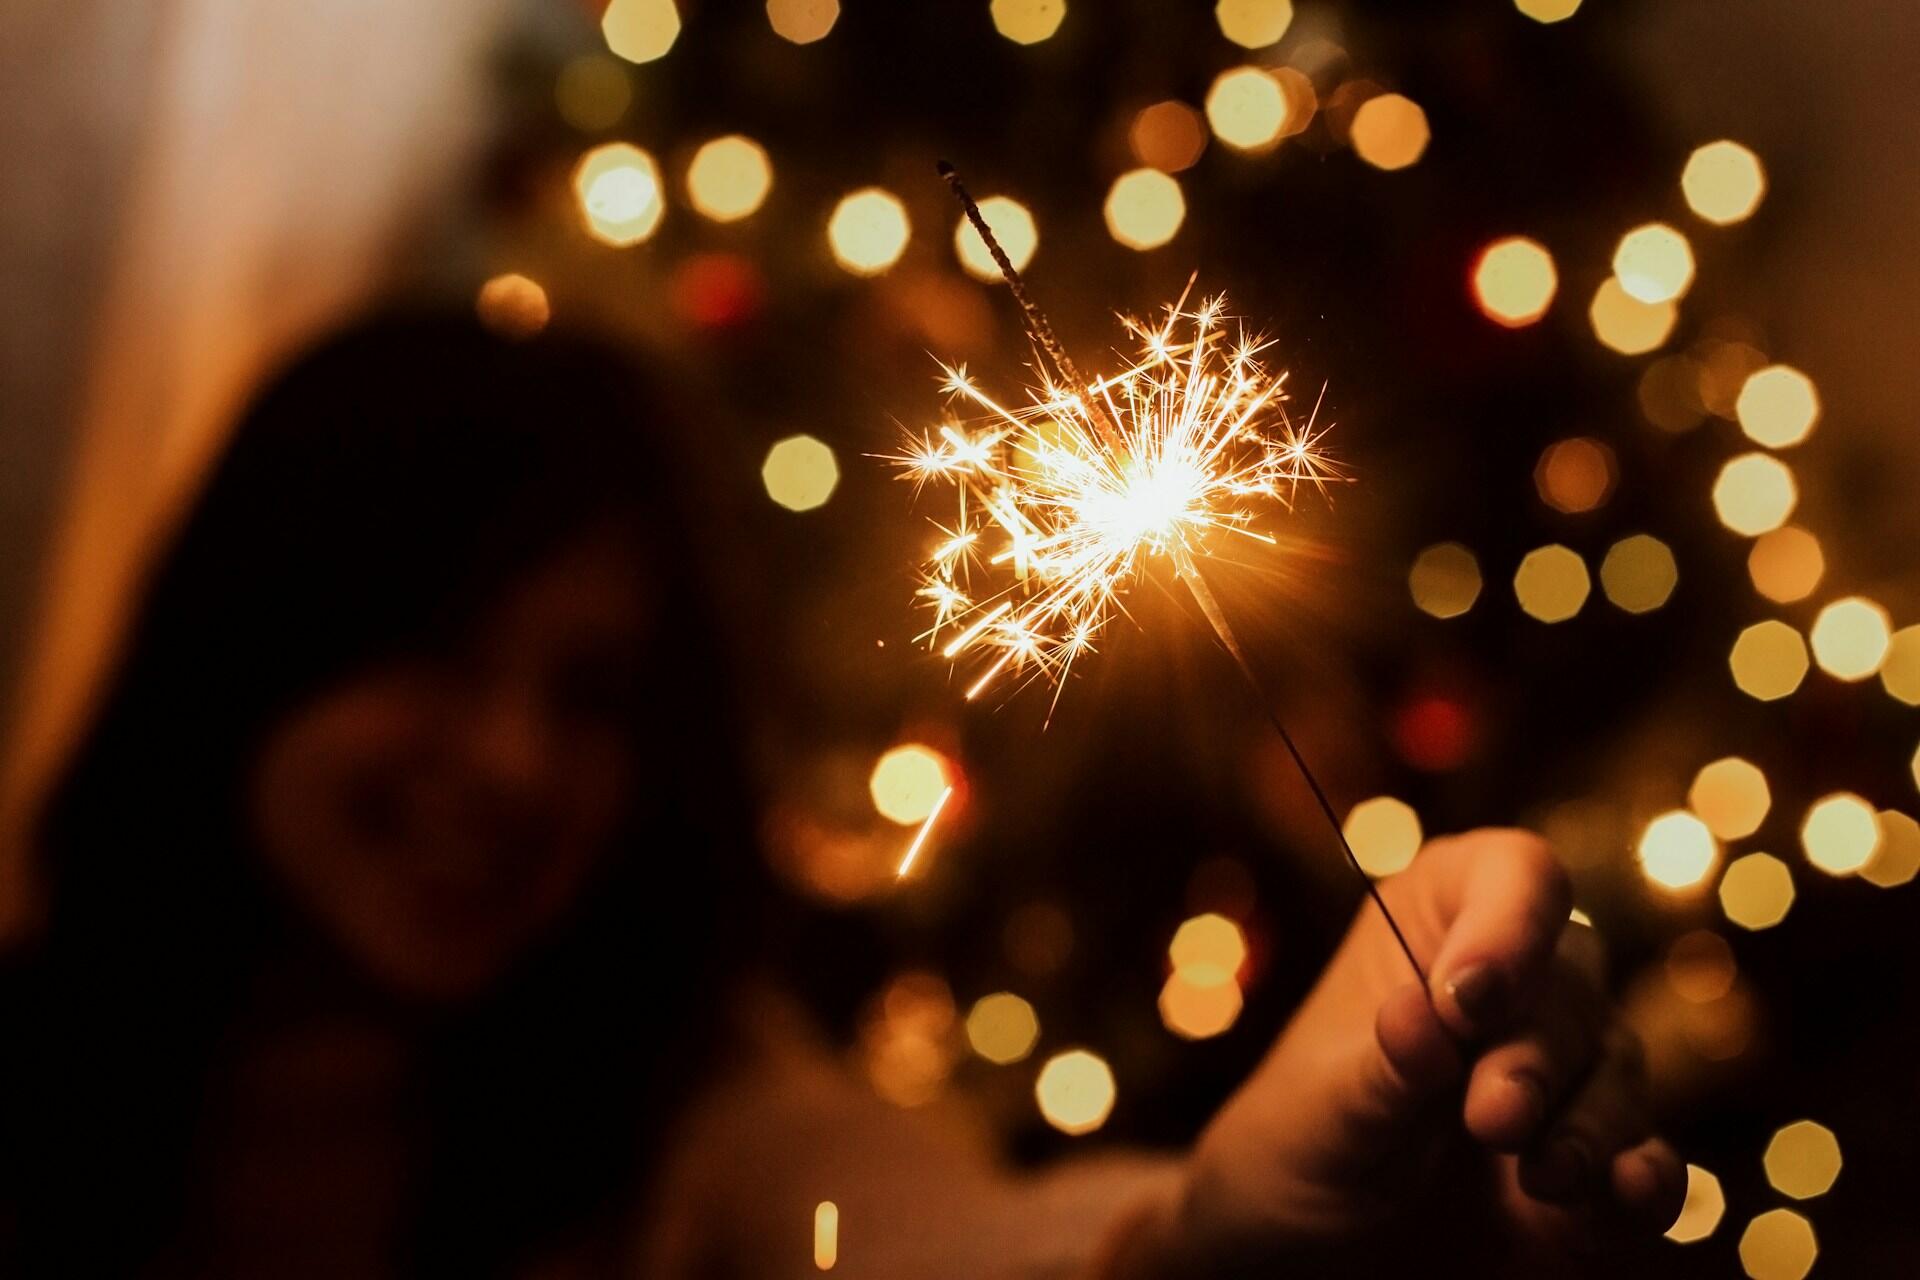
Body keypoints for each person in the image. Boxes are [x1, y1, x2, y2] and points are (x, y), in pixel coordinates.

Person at [0, 309, 1681, 1278]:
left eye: (593, 694)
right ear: (254, 643)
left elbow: (938, 1239)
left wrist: (1205, 1221)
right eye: (437, 651)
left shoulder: (693, 1115)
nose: (515, 763)